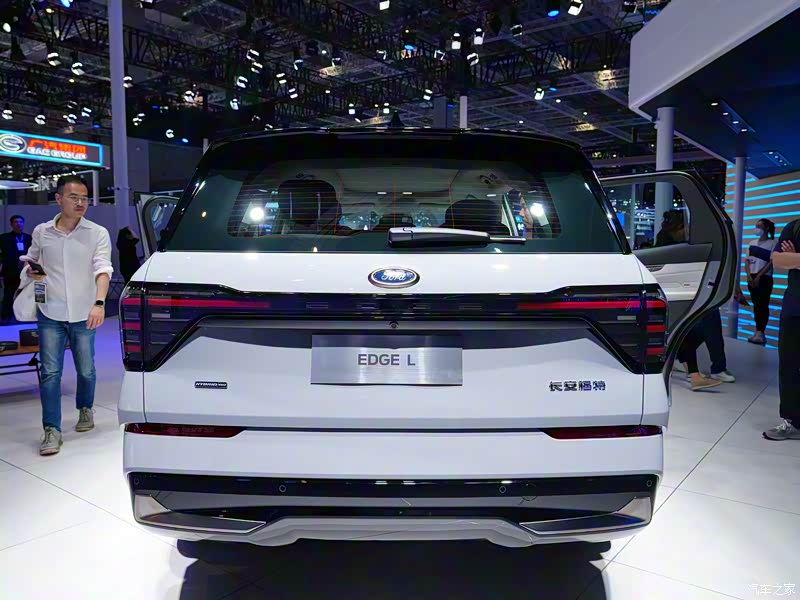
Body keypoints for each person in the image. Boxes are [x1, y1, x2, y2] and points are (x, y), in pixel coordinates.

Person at [22, 175, 113, 456]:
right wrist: (31, 271)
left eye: (84, 198)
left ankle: (85, 408)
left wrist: (99, 303)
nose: (80, 202)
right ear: (59, 198)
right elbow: (31, 262)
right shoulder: (42, 232)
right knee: (50, 372)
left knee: (86, 369)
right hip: (50, 311)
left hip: (85, 311)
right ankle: (52, 429)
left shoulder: (97, 233)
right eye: (74, 197)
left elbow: (103, 269)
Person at [655, 210, 721, 391]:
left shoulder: (666, 243)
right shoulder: (673, 247)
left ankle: (689, 370)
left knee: (684, 334)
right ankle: (694, 375)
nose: (687, 230)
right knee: (685, 332)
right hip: (674, 294)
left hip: (674, 293)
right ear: (678, 227)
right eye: (685, 226)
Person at [763, 219, 800, 441]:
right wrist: (791, 259)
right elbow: (777, 260)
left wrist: (794, 259)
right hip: (794, 308)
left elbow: (787, 260)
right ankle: (792, 421)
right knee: (789, 366)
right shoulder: (794, 227)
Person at [745, 218, 778, 344]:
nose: (757, 229)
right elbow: (747, 261)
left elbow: (771, 262)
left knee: (762, 305)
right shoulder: (751, 243)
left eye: (759, 226)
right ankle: (757, 331)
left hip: (764, 278)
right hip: (752, 277)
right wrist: (749, 275)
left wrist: (759, 276)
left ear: (767, 228)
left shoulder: (773, 243)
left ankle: (761, 332)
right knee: (756, 305)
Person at [0, 215, 33, 324]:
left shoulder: (28, 238)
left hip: (25, 271)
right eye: (16, 222)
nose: (18, 224)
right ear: (11, 224)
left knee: (25, 294)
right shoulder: (4, 238)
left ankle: (24, 317)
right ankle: (5, 317)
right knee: (9, 294)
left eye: (20, 222)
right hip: (10, 270)